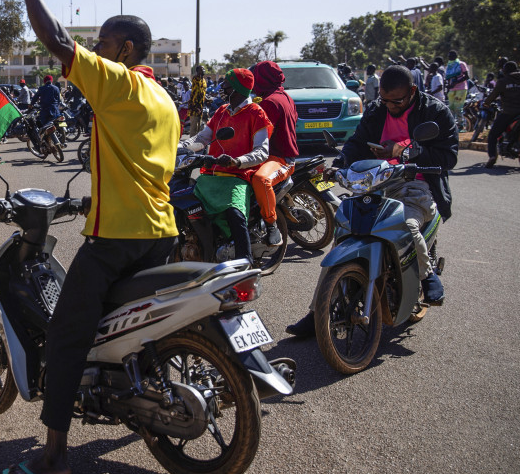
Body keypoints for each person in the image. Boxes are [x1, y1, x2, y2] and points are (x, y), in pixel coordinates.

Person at [4, 0, 181, 474]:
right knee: (132, 330)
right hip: (160, 231)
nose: (94, 52)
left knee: (64, 336)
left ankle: (55, 456)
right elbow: (142, 166)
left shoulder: (119, 82)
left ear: (125, 50)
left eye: (102, 45)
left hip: (118, 239)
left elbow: (55, 41)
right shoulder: (163, 97)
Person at [287, 65, 457, 336]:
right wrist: (341, 162)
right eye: (385, 100)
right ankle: (318, 310)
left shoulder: (435, 112)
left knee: (405, 224)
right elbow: (357, 142)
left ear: (413, 91)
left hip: (416, 185)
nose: (390, 106)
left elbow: (449, 157)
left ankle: (427, 276)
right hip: (376, 182)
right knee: (345, 230)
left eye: (397, 101)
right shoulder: (378, 110)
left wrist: (406, 151)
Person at [179, 69, 273, 263]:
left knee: (235, 214)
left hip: (237, 177)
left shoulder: (256, 113)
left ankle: (244, 264)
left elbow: (261, 152)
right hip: (210, 176)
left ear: (237, 89)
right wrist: (178, 147)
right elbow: (202, 138)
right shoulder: (221, 111)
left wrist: (237, 161)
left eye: (226, 86)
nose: (221, 88)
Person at [250, 61, 298, 245]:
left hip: (280, 158)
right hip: (274, 154)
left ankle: (271, 225)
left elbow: (261, 137)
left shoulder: (269, 102)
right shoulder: (284, 96)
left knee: (260, 180)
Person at [483, 61, 520, 168]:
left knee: (493, 134)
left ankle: (492, 156)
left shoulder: (503, 81)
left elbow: (493, 95)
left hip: (509, 113)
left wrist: (486, 103)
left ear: (505, 70)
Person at [444, 50, 469, 118]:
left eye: (451, 56)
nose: (449, 57)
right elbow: (448, 77)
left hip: (461, 88)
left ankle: (460, 125)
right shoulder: (449, 65)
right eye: (448, 56)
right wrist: (448, 86)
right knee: (451, 108)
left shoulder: (461, 64)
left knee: (458, 108)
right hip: (452, 89)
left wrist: (456, 82)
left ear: (455, 56)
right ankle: (452, 124)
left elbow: (466, 76)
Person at [190, 64, 207, 134]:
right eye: (201, 69)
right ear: (197, 71)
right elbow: (196, 93)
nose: (203, 70)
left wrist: (207, 99)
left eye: (203, 69)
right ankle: (191, 144)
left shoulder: (203, 80)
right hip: (195, 106)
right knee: (194, 127)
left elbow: (203, 92)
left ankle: (197, 143)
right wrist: (196, 106)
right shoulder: (196, 79)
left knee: (199, 128)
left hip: (201, 106)